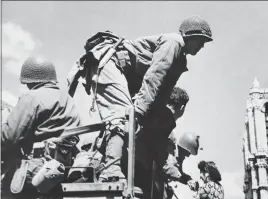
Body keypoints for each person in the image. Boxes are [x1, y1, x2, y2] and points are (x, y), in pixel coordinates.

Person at [67, 16, 212, 182]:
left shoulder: (180, 57)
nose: (201, 46)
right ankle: (110, 170)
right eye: (200, 40)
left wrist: (150, 119)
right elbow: (155, 77)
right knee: (122, 118)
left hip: (123, 75)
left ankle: (89, 169)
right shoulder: (174, 43)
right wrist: (138, 112)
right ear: (190, 35)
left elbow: (161, 93)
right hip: (110, 64)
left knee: (130, 123)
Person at [2, 56, 80, 190]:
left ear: (28, 80)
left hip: (34, 167)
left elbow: (9, 136)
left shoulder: (31, 98)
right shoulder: (67, 98)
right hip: (63, 166)